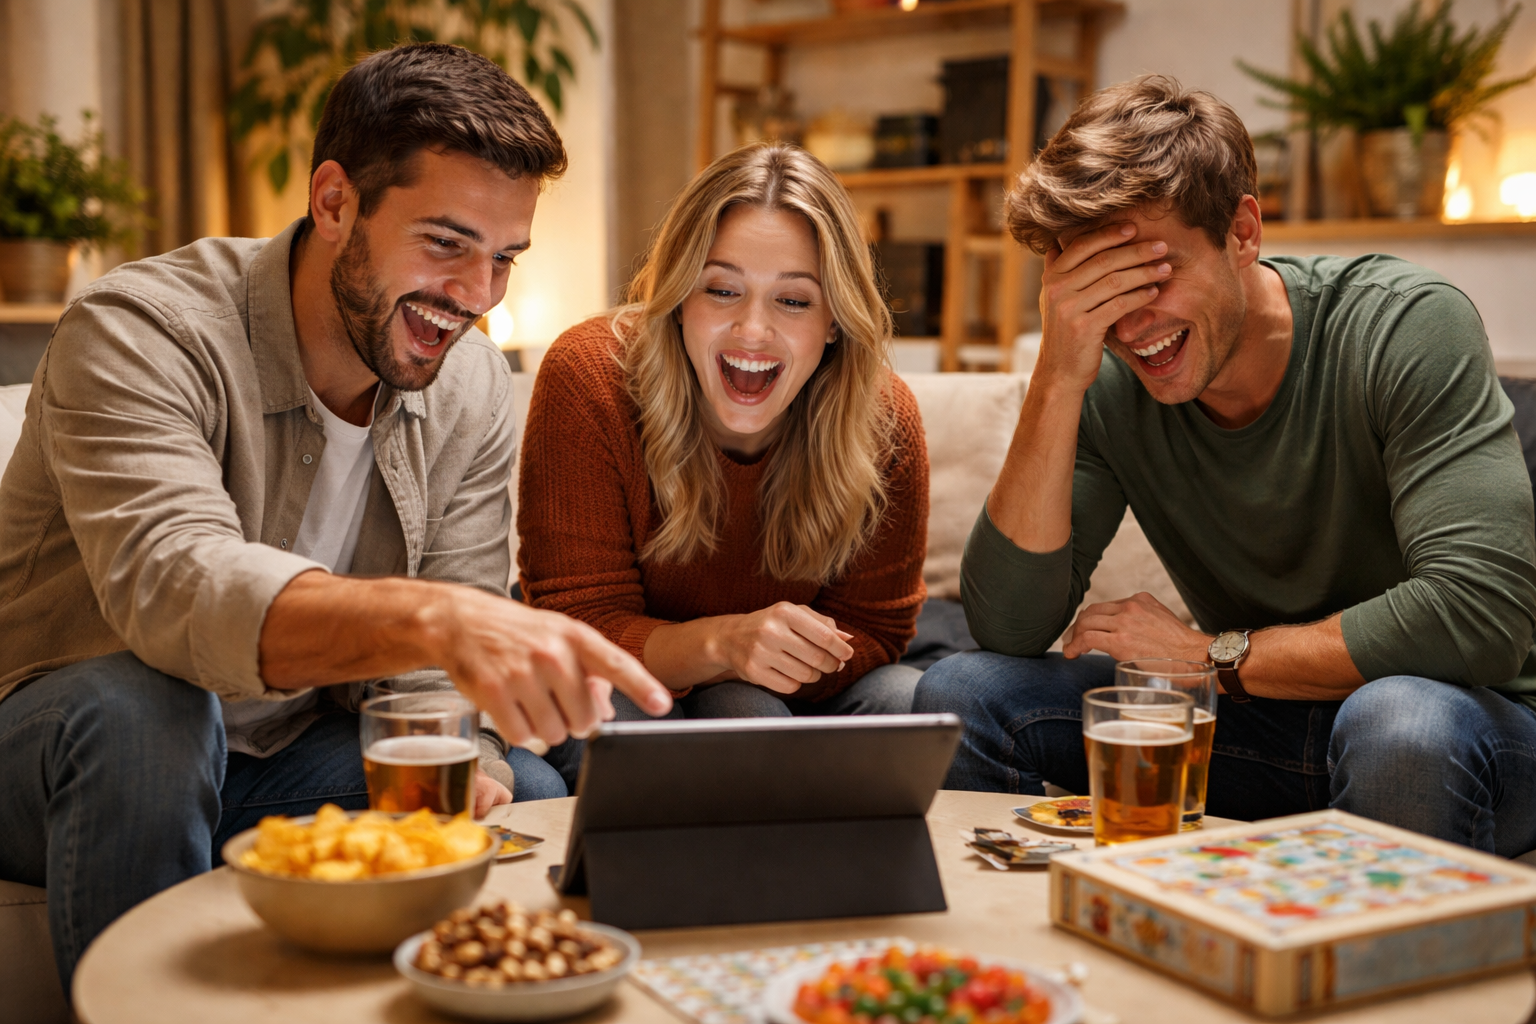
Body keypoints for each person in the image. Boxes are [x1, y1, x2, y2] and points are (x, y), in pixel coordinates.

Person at [0, 43, 671, 990]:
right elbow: (176, 586)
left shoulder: (472, 380)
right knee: (148, 715)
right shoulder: (140, 330)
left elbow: (441, 665)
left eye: (504, 258)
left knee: (520, 784)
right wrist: (436, 618)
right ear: (333, 202)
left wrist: (468, 747)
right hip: (56, 748)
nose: (477, 298)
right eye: (445, 243)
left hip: (272, 762)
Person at [913, 76, 1536, 856]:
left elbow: (1480, 615)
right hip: (1262, 726)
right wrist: (1059, 371)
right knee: (963, 693)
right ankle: (1045, 965)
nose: (1130, 323)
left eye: (1153, 273)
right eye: (1099, 289)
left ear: (1243, 231)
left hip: (1466, 730)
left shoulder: (1404, 324)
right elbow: (1008, 626)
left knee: (1395, 718)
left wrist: (1214, 656)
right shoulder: (1110, 381)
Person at [514, 143, 930, 795]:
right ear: (679, 296)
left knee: (904, 701)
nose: (752, 330)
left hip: (791, 689)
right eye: (722, 289)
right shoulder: (588, 377)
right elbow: (581, 622)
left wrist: (755, 672)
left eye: (793, 301)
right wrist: (726, 647)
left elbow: (878, 630)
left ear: (833, 321)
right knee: (651, 721)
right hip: (622, 675)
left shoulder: (883, 418)